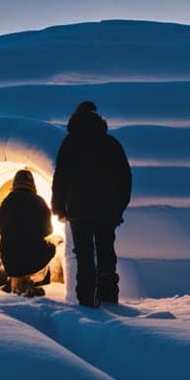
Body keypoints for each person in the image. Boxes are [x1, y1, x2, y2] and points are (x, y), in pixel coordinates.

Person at [51, 101, 132, 307]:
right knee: (106, 254)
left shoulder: (70, 143)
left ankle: (86, 300)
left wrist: (58, 207)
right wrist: (118, 207)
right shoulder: (110, 143)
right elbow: (125, 178)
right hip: (106, 210)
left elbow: (60, 178)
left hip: (79, 210)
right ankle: (108, 297)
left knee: (84, 257)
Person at [0, 169, 56, 297]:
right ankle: (30, 282)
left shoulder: (7, 201)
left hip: (9, 261)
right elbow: (48, 230)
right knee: (52, 247)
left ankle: (16, 284)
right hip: (32, 259)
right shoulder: (39, 201)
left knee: (13, 250)